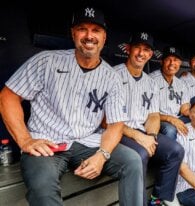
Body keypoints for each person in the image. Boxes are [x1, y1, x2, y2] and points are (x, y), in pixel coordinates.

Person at [0, 5, 143, 206]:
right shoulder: (47, 61)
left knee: (132, 161)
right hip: (47, 141)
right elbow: (8, 96)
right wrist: (25, 140)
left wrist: (102, 156)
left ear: (104, 37)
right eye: (82, 28)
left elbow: (115, 124)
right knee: (42, 185)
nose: (89, 36)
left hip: (87, 141)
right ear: (73, 33)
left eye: (96, 30)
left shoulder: (112, 78)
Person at [113, 32, 184, 206]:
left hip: (142, 130)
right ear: (128, 49)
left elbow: (153, 115)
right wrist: (139, 137)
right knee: (141, 153)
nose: (141, 53)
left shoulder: (150, 83)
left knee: (175, 150)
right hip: (117, 130)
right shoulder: (112, 75)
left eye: (146, 49)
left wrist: (151, 136)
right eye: (137, 47)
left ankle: (157, 199)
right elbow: (106, 120)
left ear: (151, 55)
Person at [149, 46, 190, 140]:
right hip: (157, 119)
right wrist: (170, 119)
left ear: (180, 63)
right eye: (168, 59)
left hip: (176, 117)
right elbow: (146, 113)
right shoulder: (151, 80)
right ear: (162, 61)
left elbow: (184, 109)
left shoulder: (181, 84)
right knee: (170, 130)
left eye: (175, 60)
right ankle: (171, 153)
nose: (172, 63)